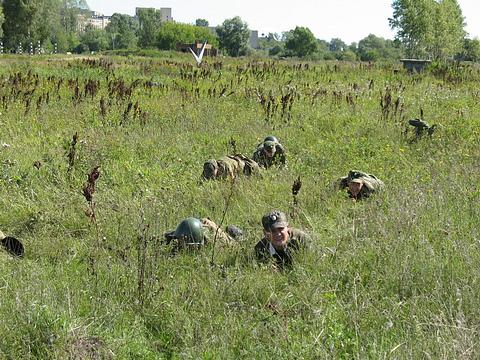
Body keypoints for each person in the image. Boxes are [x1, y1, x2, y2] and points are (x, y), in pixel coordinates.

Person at [164, 217, 241, 251]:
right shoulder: (187, 232)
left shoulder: (216, 242)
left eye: (183, 241)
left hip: (214, 232)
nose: (180, 243)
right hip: (199, 224)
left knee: (231, 231)